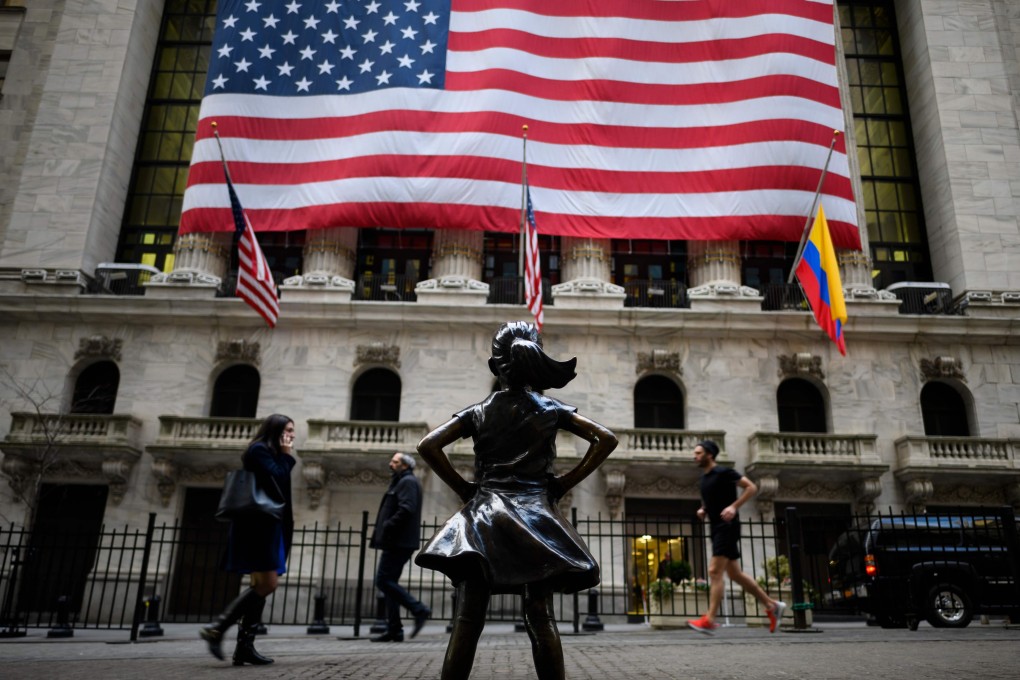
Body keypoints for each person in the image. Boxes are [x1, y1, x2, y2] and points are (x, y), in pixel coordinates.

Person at [415, 321, 618, 680]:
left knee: (467, 620)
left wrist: (465, 489)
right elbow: (605, 439)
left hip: (483, 518)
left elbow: (428, 445)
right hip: (536, 517)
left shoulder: (478, 411)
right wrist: (563, 483)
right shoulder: (551, 408)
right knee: (540, 617)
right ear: (536, 360)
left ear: (496, 367)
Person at [200, 413, 296, 665]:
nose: (292, 435)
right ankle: (217, 629)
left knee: (261, 585)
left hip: (268, 525)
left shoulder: (268, 452)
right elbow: (278, 477)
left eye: (292, 430)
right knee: (267, 584)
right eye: (288, 429)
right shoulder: (258, 450)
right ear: (274, 429)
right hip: (258, 526)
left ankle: (244, 647)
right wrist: (286, 454)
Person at [686, 439, 786, 635]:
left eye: (698, 453)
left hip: (727, 526)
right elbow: (712, 500)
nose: (694, 456)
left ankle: (709, 619)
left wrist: (734, 506)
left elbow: (751, 487)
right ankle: (772, 605)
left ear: (709, 455)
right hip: (716, 527)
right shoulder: (704, 478)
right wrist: (703, 509)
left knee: (714, 571)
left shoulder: (723, 472)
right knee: (734, 574)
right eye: (695, 453)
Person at [369, 452, 431, 642]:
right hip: (397, 541)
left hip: (398, 541)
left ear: (404, 465)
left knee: (383, 580)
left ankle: (418, 609)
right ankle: (394, 629)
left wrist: (388, 525)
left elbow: (407, 508)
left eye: (395, 462)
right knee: (389, 584)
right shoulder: (401, 481)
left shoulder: (407, 482)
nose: (391, 464)